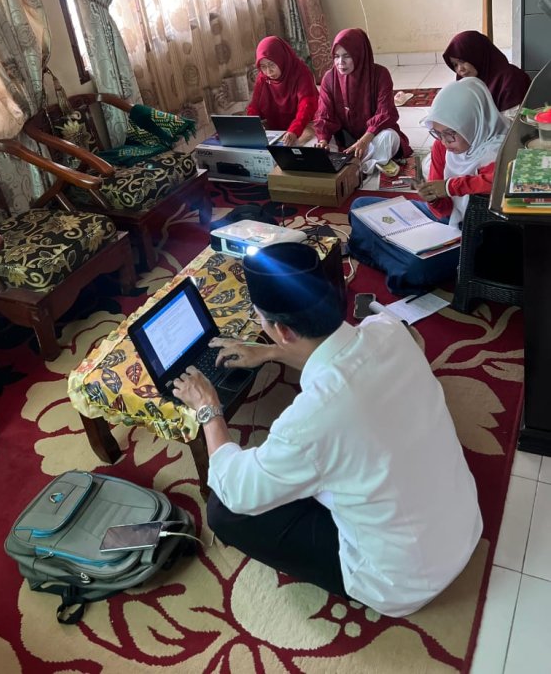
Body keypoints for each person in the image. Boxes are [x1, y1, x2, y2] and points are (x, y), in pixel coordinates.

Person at [171, 242, 482, 618]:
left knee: (223, 510)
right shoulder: (389, 330)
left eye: (260, 319)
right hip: (463, 524)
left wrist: (208, 408)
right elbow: (338, 354)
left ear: (281, 329)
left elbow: (236, 490)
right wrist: (271, 352)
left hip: (401, 580)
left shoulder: (310, 420)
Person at [348, 77, 509, 294]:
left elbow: (498, 184)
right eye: (437, 133)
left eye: (450, 134)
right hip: (448, 221)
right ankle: (397, 258)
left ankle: (385, 254)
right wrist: (433, 198)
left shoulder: (499, 148)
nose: (444, 142)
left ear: (473, 123)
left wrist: (450, 187)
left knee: (416, 268)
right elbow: (443, 210)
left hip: (476, 234)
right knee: (360, 207)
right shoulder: (442, 147)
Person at [314, 28, 411, 175]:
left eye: (347, 56)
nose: (340, 62)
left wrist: (364, 140)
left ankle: (356, 167)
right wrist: (323, 141)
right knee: (313, 142)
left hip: (373, 136)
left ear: (359, 54)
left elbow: (386, 113)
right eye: (336, 56)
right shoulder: (329, 78)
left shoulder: (380, 74)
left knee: (390, 137)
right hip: (345, 137)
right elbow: (324, 115)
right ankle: (362, 162)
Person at [247, 36, 319, 146]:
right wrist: (252, 124)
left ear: (281, 59)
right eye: (263, 66)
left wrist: (294, 130)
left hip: (304, 123)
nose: (268, 71)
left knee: (295, 145)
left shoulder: (300, 71)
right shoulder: (263, 78)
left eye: (271, 64)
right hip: (277, 124)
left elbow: (306, 105)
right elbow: (255, 105)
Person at [443, 30, 530, 115]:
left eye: (462, 61)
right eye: (455, 65)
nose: (460, 69)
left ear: (477, 54)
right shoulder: (467, 83)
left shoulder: (511, 79)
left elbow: (512, 122)